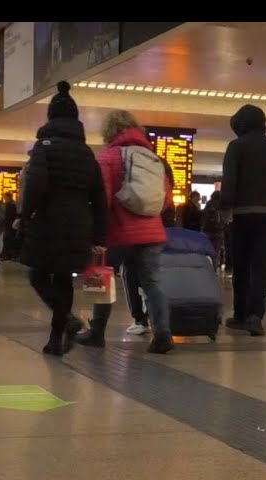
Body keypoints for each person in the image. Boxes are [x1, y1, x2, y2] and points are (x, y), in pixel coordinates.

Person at [19, 81, 107, 356]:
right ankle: (56, 339)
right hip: (80, 223)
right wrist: (99, 236)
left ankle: (68, 320)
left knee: (38, 275)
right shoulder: (86, 153)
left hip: (49, 220)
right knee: (63, 279)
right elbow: (100, 196)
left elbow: (35, 184)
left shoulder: (44, 146)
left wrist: (24, 214)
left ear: (51, 117)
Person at [76, 109, 174, 354]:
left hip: (119, 232)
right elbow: (166, 200)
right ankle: (163, 335)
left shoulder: (108, 157)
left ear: (109, 131)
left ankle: (97, 332)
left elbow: (102, 199)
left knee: (102, 276)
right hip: (152, 234)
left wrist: (95, 234)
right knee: (152, 282)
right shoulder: (153, 158)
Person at [218, 104, 266, 336]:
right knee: (261, 267)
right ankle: (256, 316)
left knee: (242, 267)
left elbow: (230, 182)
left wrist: (225, 207)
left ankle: (240, 315)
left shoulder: (236, 147)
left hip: (243, 215)